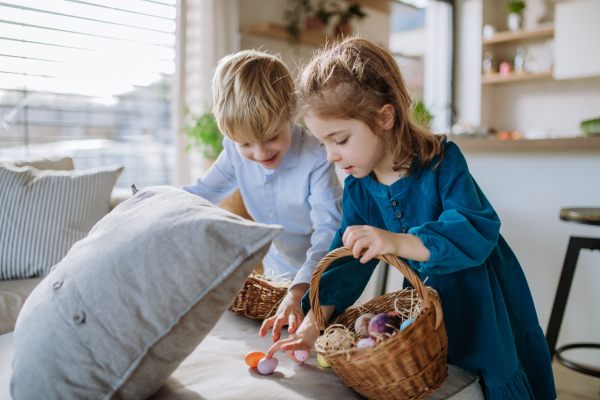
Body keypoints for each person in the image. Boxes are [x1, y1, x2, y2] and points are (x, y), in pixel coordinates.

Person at [265, 38, 556, 400]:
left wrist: (396, 241)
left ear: (384, 117)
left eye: (339, 140)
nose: (330, 157)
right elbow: (345, 262)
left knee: (495, 378)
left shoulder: (442, 161)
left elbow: (477, 227)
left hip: (483, 305)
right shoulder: (359, 187)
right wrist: (311, 325)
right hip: (427, 311)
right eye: (323, 143)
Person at [183, 50, 343, 341]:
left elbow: (329, 233)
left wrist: (298, 291)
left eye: (272, 136)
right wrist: (151, 204)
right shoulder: (234, 151)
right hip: (275, 281)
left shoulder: (317, 156)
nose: (260, 154)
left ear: (290, 112)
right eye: (245, 143)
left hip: (324, 287)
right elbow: (200, 193)